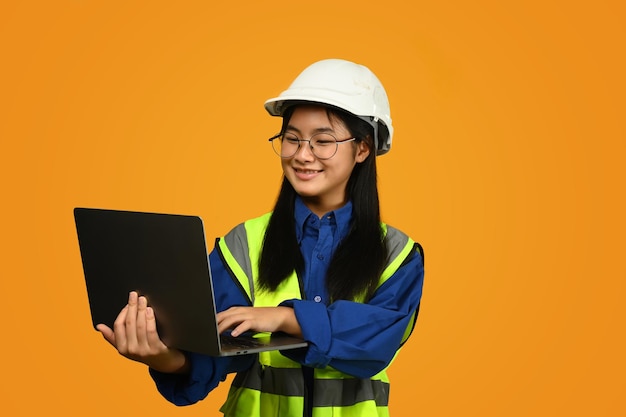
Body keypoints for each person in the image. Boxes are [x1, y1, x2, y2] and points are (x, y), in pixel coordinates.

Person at [97, 58, 425, 417]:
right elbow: (209, 355)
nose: (302, 155)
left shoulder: (398, 254)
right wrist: (161, 357)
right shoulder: (243, 244)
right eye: (292, 138)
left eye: (323, 141)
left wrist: (283, 319)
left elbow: (377, 340)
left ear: (362, 148)